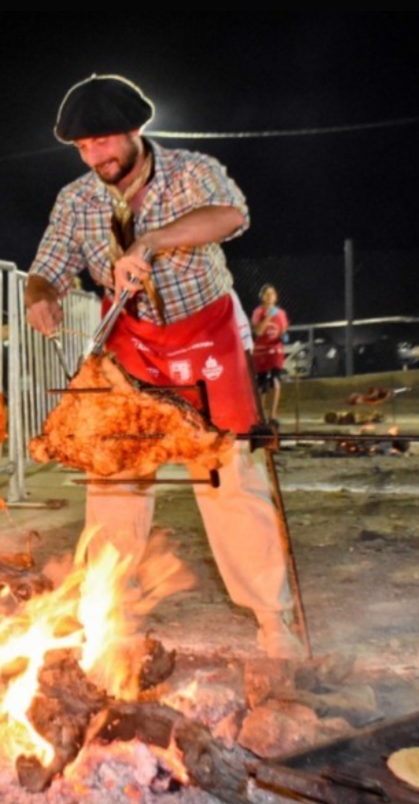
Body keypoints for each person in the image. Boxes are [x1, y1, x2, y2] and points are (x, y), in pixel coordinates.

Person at [24, 74, 304, 660]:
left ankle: (274, 623)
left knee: (229, 477)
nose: (94, 156)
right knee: (114, 478)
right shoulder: (76, 201)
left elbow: (230, 216)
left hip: (208, 336)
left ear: (134, 130)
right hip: (131, 346)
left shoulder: (192, 170)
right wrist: (41, 296)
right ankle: (109, 618)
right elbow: (46, 265)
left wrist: (149, 241)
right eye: (82, 148)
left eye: (102, 141)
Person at [251, 283, 289, 424]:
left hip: (275, 352)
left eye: (272, 294)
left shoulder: (281, 313)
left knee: (275, 381)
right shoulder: (258, 312)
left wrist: (284, 336)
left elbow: (283, 330)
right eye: (267, 294)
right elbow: (259, 331)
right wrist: (267, 317)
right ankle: (261, 415)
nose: (270, 297)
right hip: (261, 352)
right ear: (261, 297)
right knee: (262, 385)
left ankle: (273, 415)